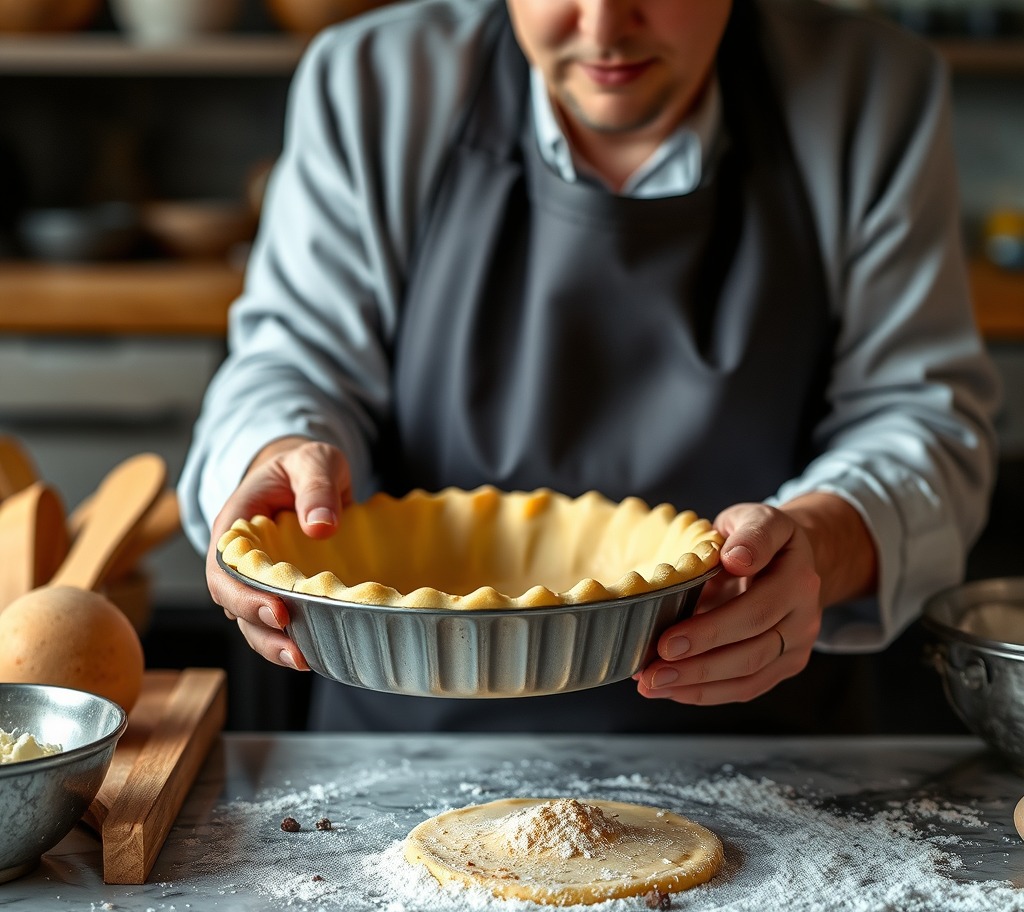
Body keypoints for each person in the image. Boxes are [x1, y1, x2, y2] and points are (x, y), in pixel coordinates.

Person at [179, 0, 1000, 733]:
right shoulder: (373, 85)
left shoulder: (869, 92)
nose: (604, 25)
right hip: (396, 754)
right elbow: (294, 358)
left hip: (762, 753)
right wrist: (274, 453)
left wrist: (819, 542)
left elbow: (921, 418)